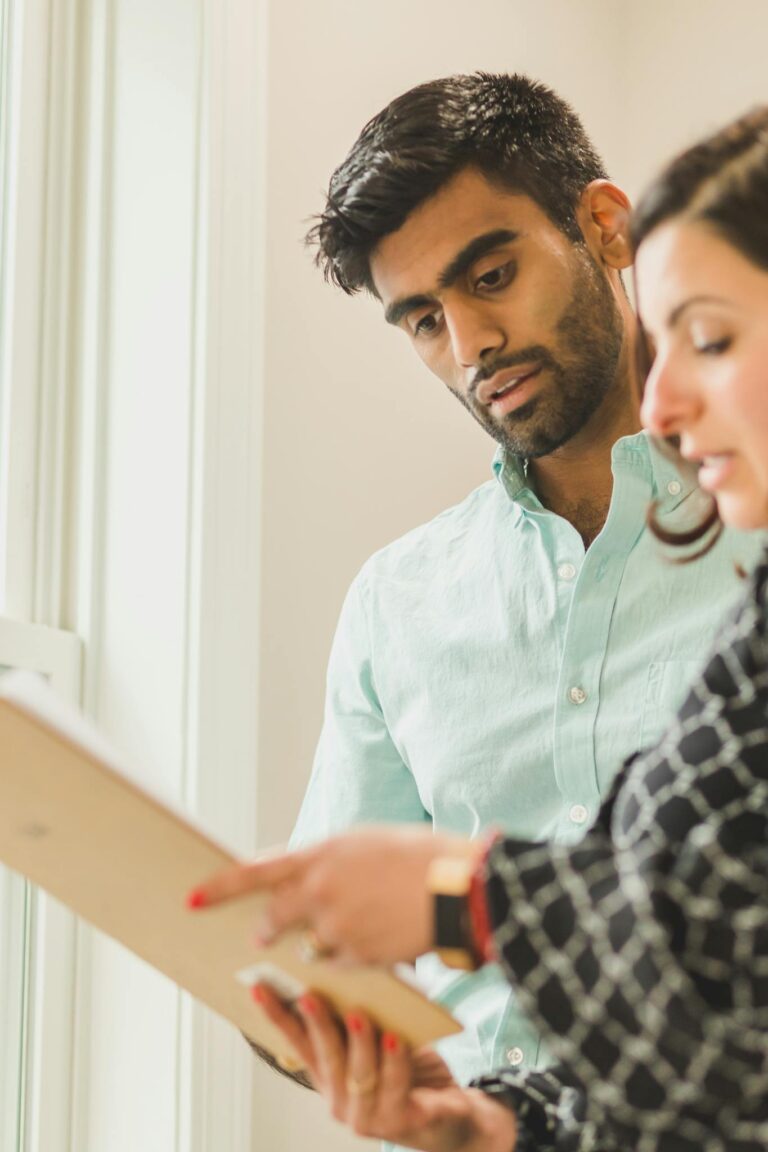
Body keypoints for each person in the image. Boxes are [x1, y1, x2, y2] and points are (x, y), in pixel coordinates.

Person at [190, 107, 768, 1151]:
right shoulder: (397, 600)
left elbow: (719, 925)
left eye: (491, 277)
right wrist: (319, 1022)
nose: (471, 346)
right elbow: (324, 949)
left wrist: (464, 899)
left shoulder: (752, 543)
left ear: (602, 228)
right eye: (421, 319)